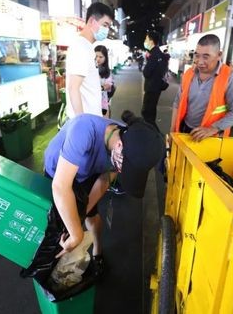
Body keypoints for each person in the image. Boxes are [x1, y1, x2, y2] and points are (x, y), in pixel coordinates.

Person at [22, 111, 164, 282]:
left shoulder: (129, 143)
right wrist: (76, 234)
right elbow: (60, 186)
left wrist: (80, 214)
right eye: (124, 168)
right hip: (59, 173)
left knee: (90, 217)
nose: (121, 171)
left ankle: (97, 250)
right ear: (119, 145)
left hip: (88, 173)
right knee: (56, 221)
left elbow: (104, 180)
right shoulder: (84, 129)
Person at [170, 34, 233, 141]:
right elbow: (177, 102)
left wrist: (213, 128)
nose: (200, 62)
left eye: (206, 57)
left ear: (219, 55)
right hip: (184, 130)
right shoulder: (189, 74)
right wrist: (173, 130)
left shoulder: (230, 78)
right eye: (197, 55)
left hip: (211, 137)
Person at [65, 2, 114, 120]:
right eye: (105, 25)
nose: (107, 30)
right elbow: (73, 88)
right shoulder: (81, 47)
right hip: (86, 123)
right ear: (92, 21)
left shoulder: (87, 47)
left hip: (91, 118)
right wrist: (82, 123)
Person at [142, 31, 168, 131]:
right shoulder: (160, 53)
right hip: (157, 87)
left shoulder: (153, 54)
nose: (145, 41)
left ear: (151, 41)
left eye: (146, 39)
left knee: (147, 113)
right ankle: (152, 134)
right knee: (151, 112)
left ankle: (156, 135)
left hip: (152, 88)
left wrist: (146, 64)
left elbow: (146, 72)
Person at [95, 45, 114, 118]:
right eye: (96, 56)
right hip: (90, 103)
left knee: (104, 124)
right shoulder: (88, 69)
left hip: (103, 103)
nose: (97, 59)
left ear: (105, 58)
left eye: (101, 57)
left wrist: (100, 88)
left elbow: (108, 85)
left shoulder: (107, 72)